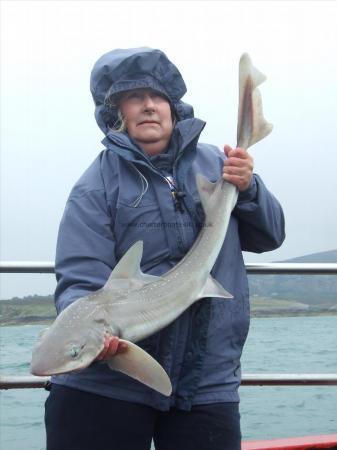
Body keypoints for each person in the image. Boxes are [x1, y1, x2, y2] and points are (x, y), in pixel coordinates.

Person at [44, 47, 285, 450]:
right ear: (117, 113)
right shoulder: (96, 185)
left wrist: (249, 189)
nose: (149, 106)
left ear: (174, 108)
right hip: (110, 386)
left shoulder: (221, 166)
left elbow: (271, 236)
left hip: (206, 380)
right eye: (135, 98)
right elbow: (80, 276)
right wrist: (86, 329)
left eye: (157, 97)